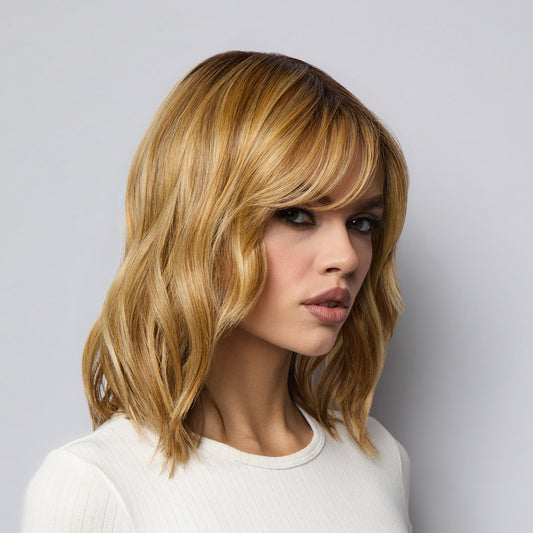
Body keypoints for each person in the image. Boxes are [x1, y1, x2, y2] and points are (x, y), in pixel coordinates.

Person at [21, 51, 411, 532]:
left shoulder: (378, 461)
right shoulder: (96, 485)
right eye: (296, 214)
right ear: (201, 222)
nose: (346, 257)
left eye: (362, 223)